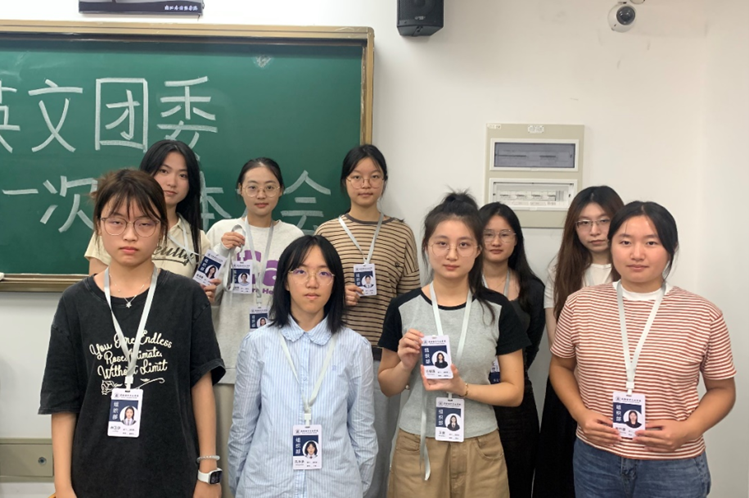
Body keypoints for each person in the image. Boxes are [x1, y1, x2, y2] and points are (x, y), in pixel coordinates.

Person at [40, 169, 225, 498]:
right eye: (116, 221)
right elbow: (63, 402)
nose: (129, 235)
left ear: (162, 229)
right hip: (93, 477)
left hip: (174, 476)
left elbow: (201, 386)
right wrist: (63, 486)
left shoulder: (187, 297)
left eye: (144, 223)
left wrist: (208, 473)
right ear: (99, 226)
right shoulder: (75, 303)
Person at [550, 201, 736, 498]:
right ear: (611, 245)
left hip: (673, 465)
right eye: (625, 242)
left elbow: (723, 390)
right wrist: (579, 412)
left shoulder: (703, 314)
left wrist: (689, 430)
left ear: (671, 248)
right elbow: (560, 366)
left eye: (651, 243)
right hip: (596, 458)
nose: (637, 254)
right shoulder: (580, 304)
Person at [378, 192, 529, 498]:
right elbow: (387, 386)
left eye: (463, 244)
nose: (452, 254)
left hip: (480, 446)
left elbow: (514, 392)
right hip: (418, 445)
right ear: (426, 246)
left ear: (477, 250)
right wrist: (405, 365)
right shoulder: (403, 308)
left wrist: (464, 388)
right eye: (442, 243)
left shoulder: (497, 309)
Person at [228, 235, 377, 498]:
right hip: (267, 486)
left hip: (334, 488)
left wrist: (352, 487)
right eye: (300, 271)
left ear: (335, 282)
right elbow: (243, 426)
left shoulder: (356, 347)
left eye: (324, 273)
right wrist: (241, 484)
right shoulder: (257, 344)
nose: (312, 282)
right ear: (285, 281)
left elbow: (362, 431)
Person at [315, 144, 420, 498]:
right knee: (329, 437)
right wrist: (335, 296)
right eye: (357, 176)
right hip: (332, 353)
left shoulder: (401, 233)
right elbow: (308, 295)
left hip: (381, 358)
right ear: (345, 182)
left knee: (376, 445)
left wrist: (407, 364)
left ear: (384, 182)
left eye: (374, 176)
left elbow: (411, 301)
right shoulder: (327, 231)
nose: (366, 184)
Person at [206, 157, 303, 498]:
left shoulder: (294, 237)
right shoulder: (222, 230)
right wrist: (222, 250)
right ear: (240, 190)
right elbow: (204, 292)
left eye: (269, 187)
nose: (261, 195)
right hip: (229, 356)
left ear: (281, 191)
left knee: (273, 445)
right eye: (252, 187)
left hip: (280, 360)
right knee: (226, 447)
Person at [533, 186, 624, 498]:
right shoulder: (560, 270)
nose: (594, 231)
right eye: (584, 223)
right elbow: (557, 340)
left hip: (619, 387)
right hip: (570, 384)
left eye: (603, 220)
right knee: (563, 477)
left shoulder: (635, 267)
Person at [85, 140, 216, 298]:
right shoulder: (114, 229)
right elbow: (96, 293)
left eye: (183, 175)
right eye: (163, 171)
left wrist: (203, 297)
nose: (172, 182)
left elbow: (198, 292)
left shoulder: (197, 239)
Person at [479, 202, 545, 498]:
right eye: (488, 233)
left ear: (516, 240)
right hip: (469, 392)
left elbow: (532, 345)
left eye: (504, 234)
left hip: (516, 400)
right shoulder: (458, 284)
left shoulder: (533, 289)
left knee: (516, 480)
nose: (496, 241)